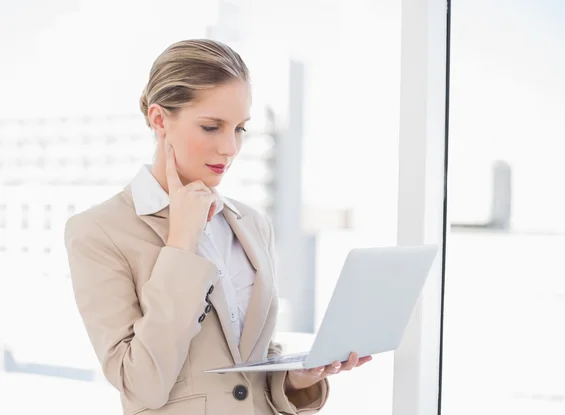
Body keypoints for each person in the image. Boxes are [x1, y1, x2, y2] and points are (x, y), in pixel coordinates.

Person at [64, 39, 371, 415]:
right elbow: (140, 384)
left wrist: (296, 379)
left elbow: (249, 365)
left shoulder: (252, 225)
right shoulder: (99, 232)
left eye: (240, 128)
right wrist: (181, 243)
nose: (230, 148)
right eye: (212, 127)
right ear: (160, 120)